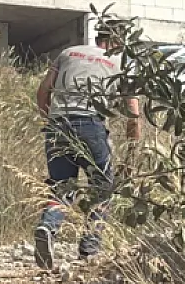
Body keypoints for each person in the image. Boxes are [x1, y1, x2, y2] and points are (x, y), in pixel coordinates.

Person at [33, 24, 142, 270]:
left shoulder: (68, 53)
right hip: (91, 125)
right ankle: (89, 250)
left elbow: (43, 92)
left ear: (98, 37)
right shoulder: (121, 62)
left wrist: (50, 122)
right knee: (102, 188)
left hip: (58, 124)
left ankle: (47, 227)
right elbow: (133, 113)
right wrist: (132, 151)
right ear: (118, 41)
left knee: (61, 185)